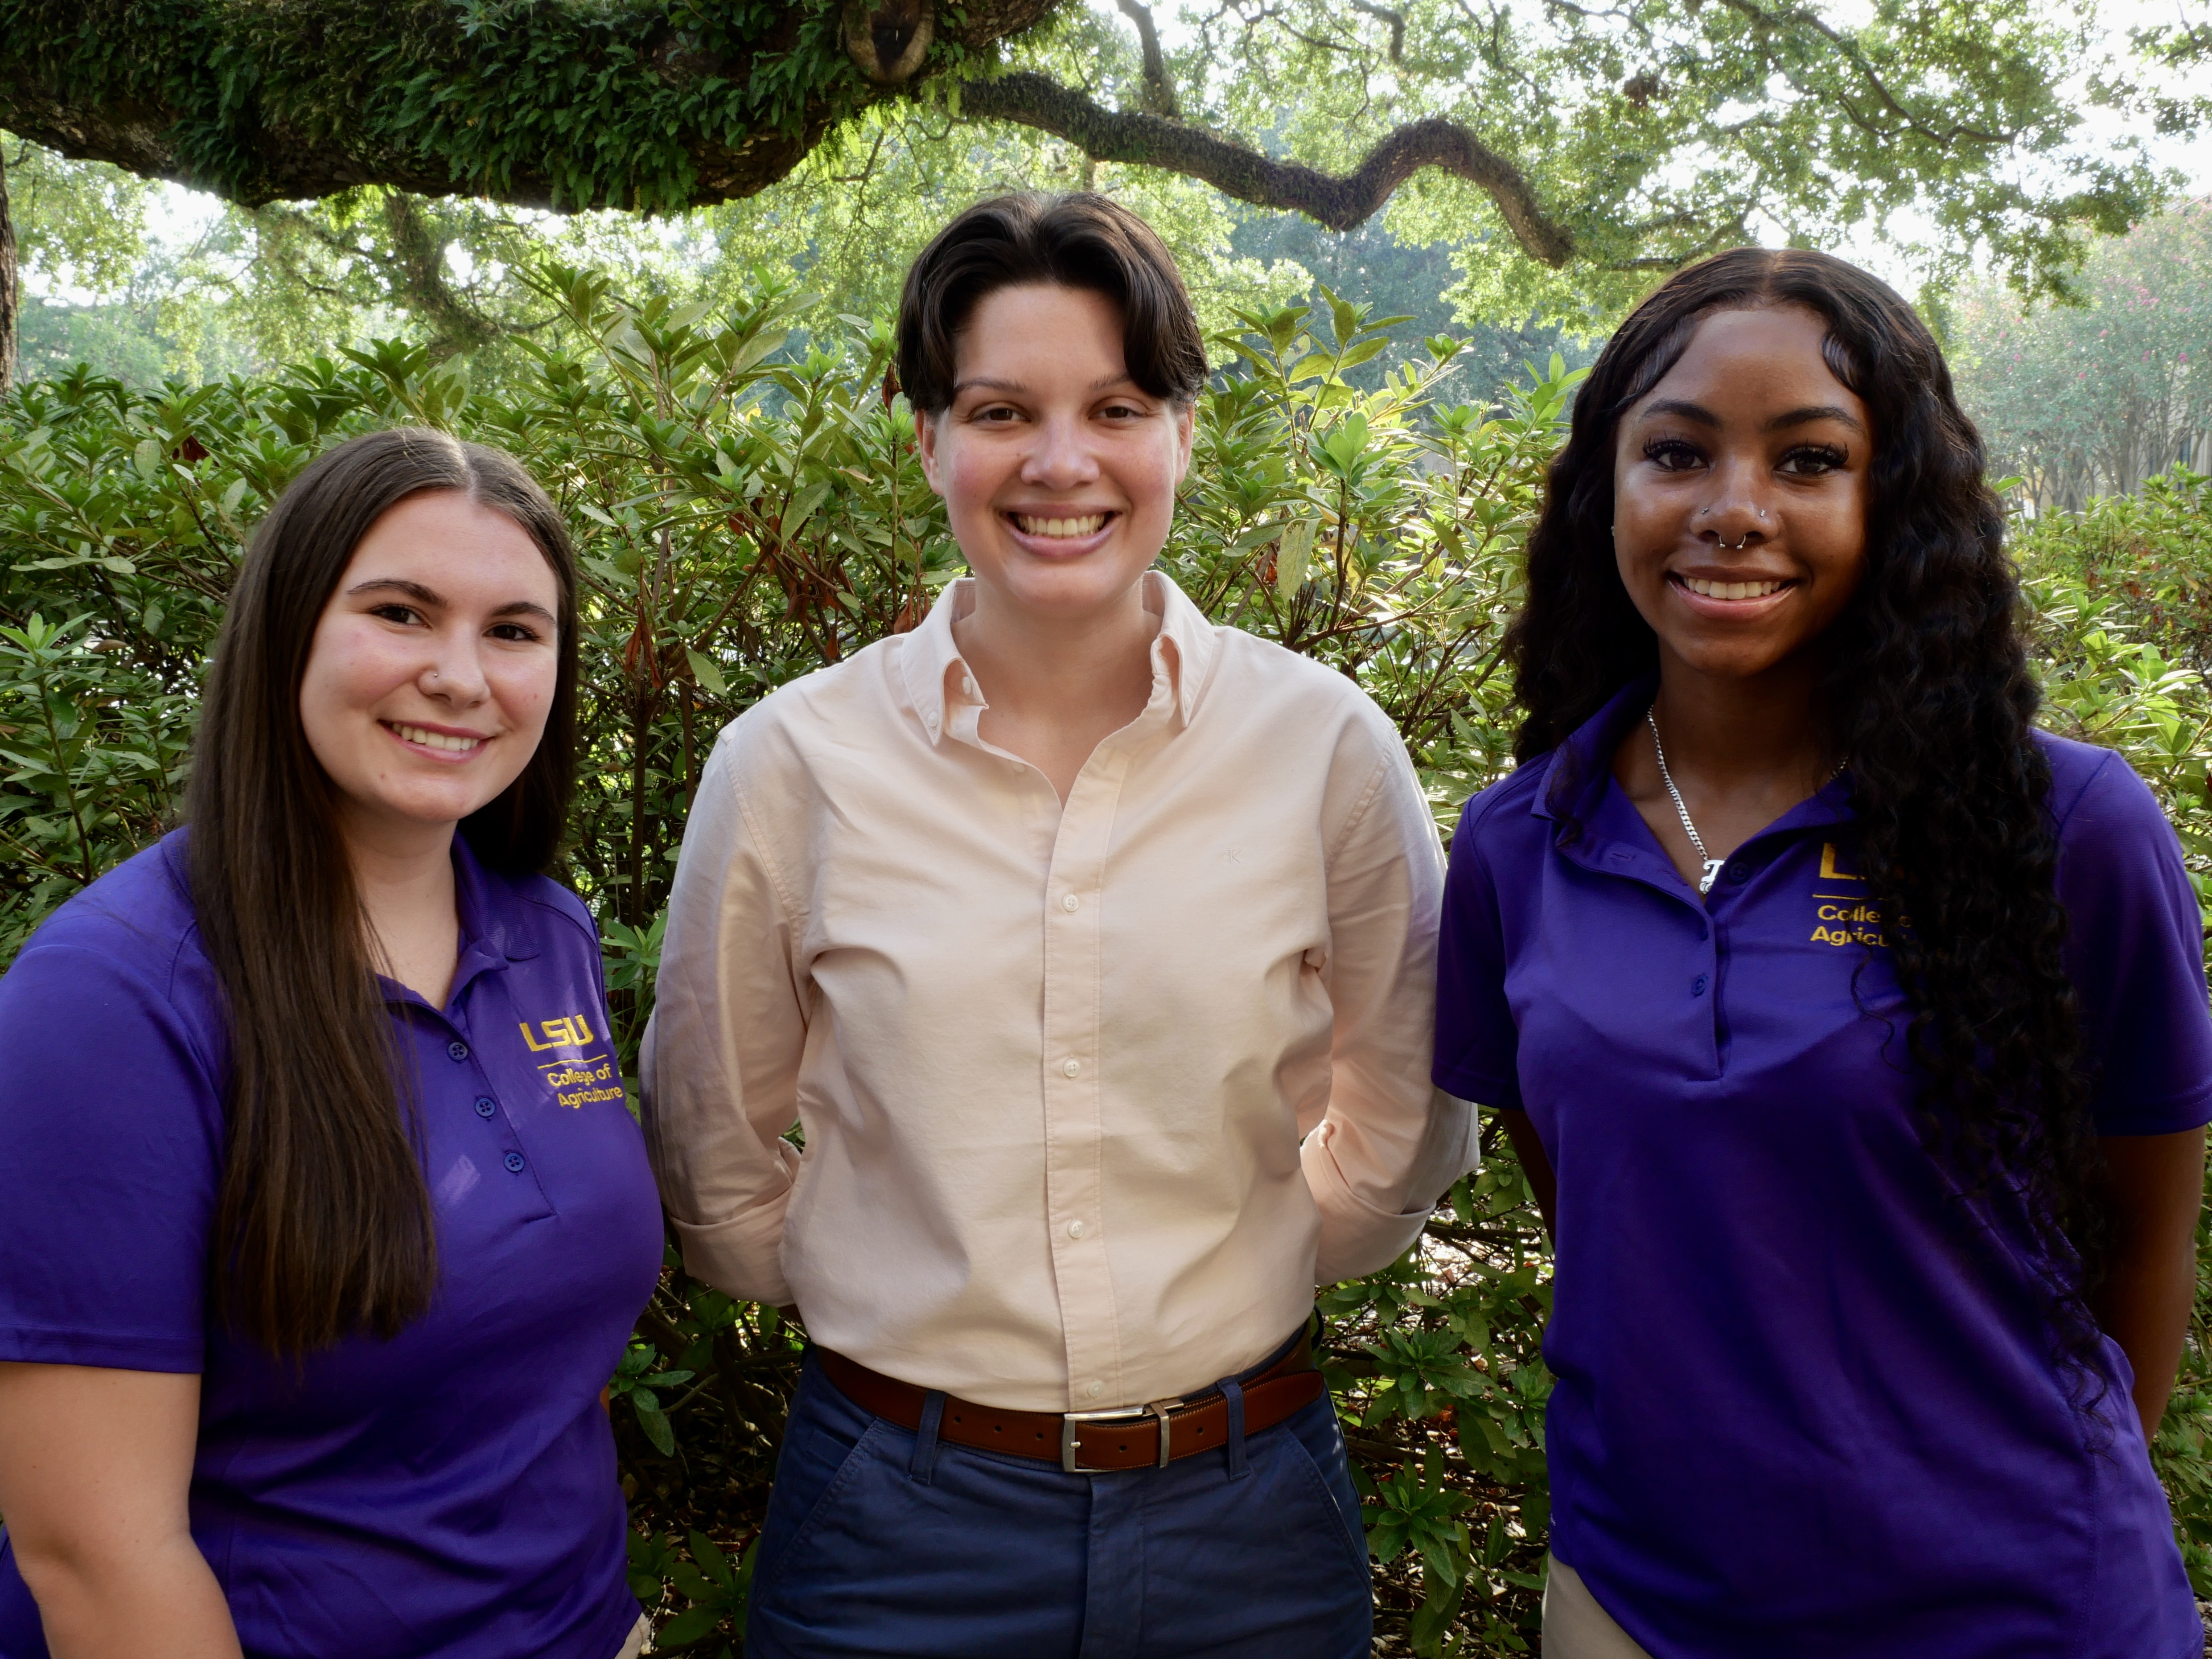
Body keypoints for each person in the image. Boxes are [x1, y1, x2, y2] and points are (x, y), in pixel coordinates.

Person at [642, 191, 1474, 1658]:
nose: (1061, 461)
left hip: (1250, 1512)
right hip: (896, 1525)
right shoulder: (792, 763)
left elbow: (1406, 1101)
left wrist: (1270, 1254)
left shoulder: (1322, 744)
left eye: (1117, 405)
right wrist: (894, 1295)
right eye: (1000, 409)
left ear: (1181, 435)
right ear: (928, 441)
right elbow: (714, 1129)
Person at [1433, 246, 2211, 1658]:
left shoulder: (2066, 828)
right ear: (1606, 485)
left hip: (2013, 1609)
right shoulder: (1514, 845)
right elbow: (1606, 1208)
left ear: (1892, 500)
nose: (1733, 511)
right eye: (1676, 452)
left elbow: (2147, 1232)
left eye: (1808, 460)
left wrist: (2027, 1499)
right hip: (1639, 1603)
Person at [0, 429, 663, 1659]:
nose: (461, 675)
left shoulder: (545, 931)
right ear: (287, 628)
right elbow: (96, 1554)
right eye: (402, 613)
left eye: (514, 630)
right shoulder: (110, 1000)